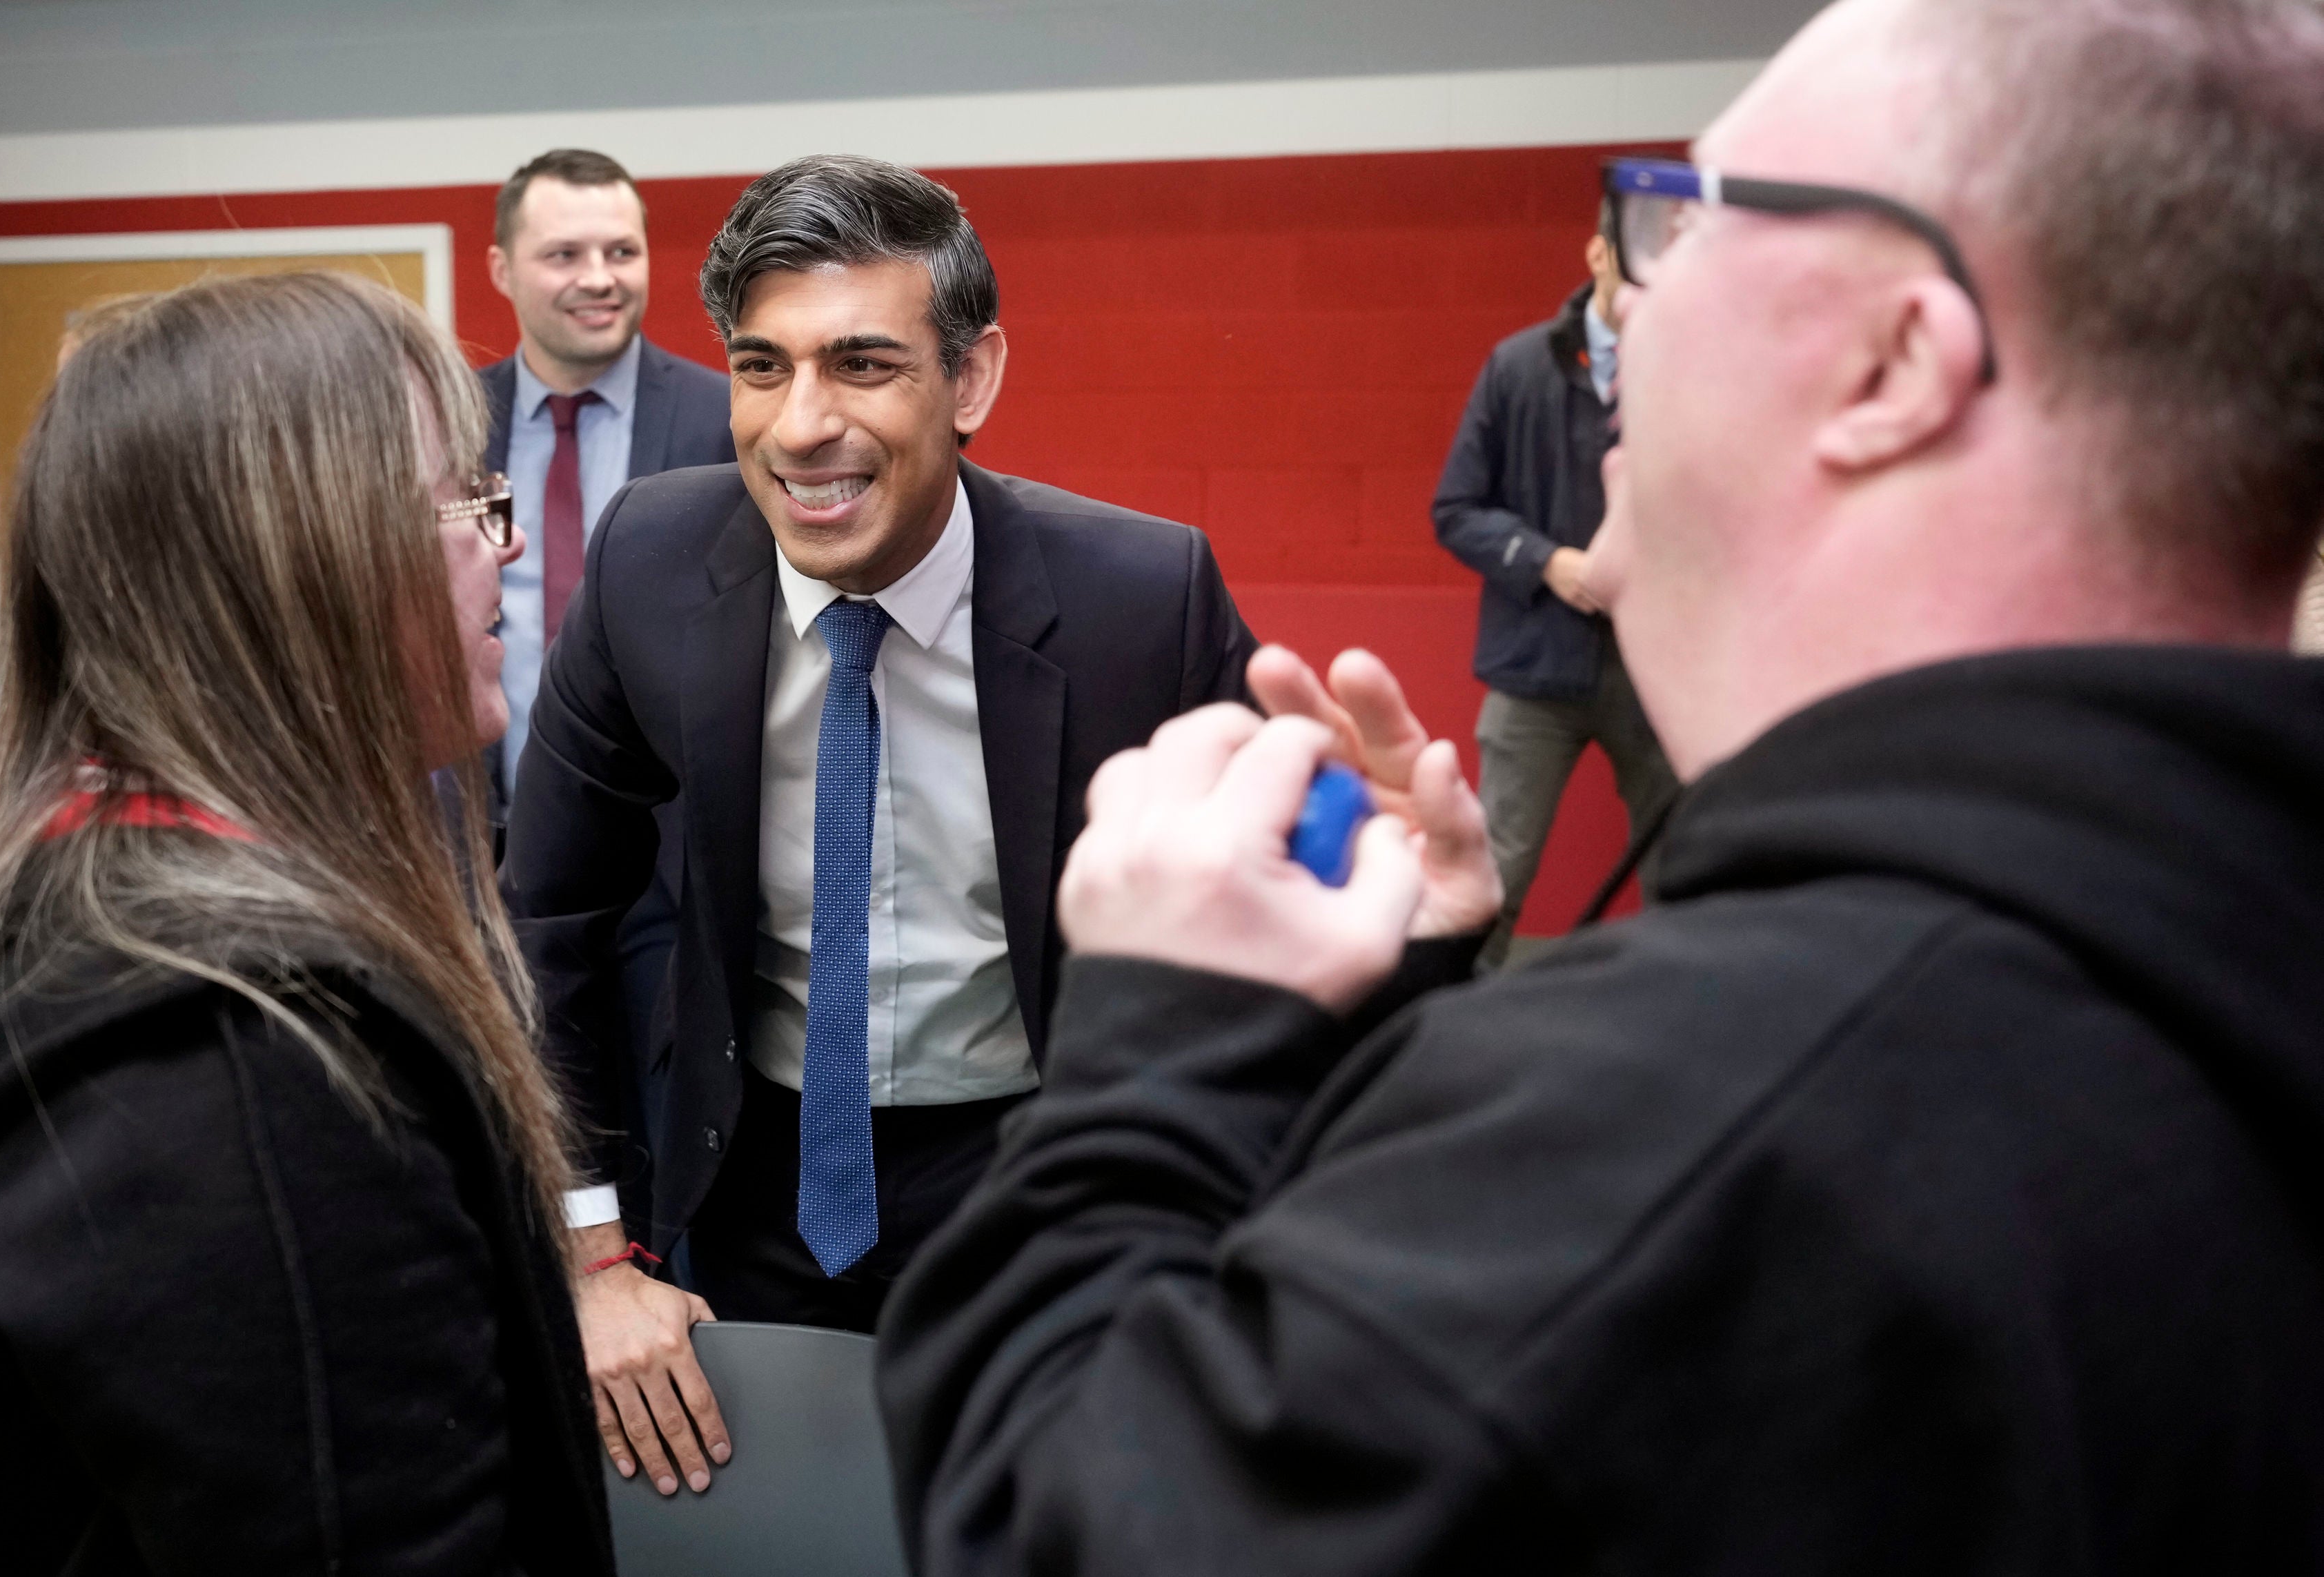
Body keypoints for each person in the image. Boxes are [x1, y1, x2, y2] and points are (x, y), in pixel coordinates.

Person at [878, 0, 2324, 1569]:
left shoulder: (1724, 1107)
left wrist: (1159, 1040)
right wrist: (1404, 1025)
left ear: (1892, 362)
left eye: (1688, 221)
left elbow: (1061, 1524)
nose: (1623, 299)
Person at [502, 154, 1257, 1498]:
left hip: (1035, 1175)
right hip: (747, 1172)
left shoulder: (1146, 598)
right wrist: (593, 1248)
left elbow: (1269, 951)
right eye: (760, 366)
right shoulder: (652, 561)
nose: (801, 426)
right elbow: (549, 918)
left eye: (861, 365)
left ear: (970, 379)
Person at [0, 273, 613, 1574]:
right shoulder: (254, 1062)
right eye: (459, 504)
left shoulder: (97, 891)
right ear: (304, 564)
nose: (502, 546)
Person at [482, 150, 737, 1206]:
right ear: (502, 269)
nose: (601, 275)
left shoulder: (727, 419)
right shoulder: (452, 421)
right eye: (566, 253)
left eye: (622, 250)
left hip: (667, 865)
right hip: (476, 855)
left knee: (656, 1143)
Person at [1432, 204, 1676, 966]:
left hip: (1656, 670)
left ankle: (1689, 1027)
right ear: (1596, 255)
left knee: (1684, 856)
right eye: (1632, 260)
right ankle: (1453, 1034)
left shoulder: (1691, 370)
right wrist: (1546, 561)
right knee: (1495, 867)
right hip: (1534, 668)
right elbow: (1455, 508)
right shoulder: (1516, 367)